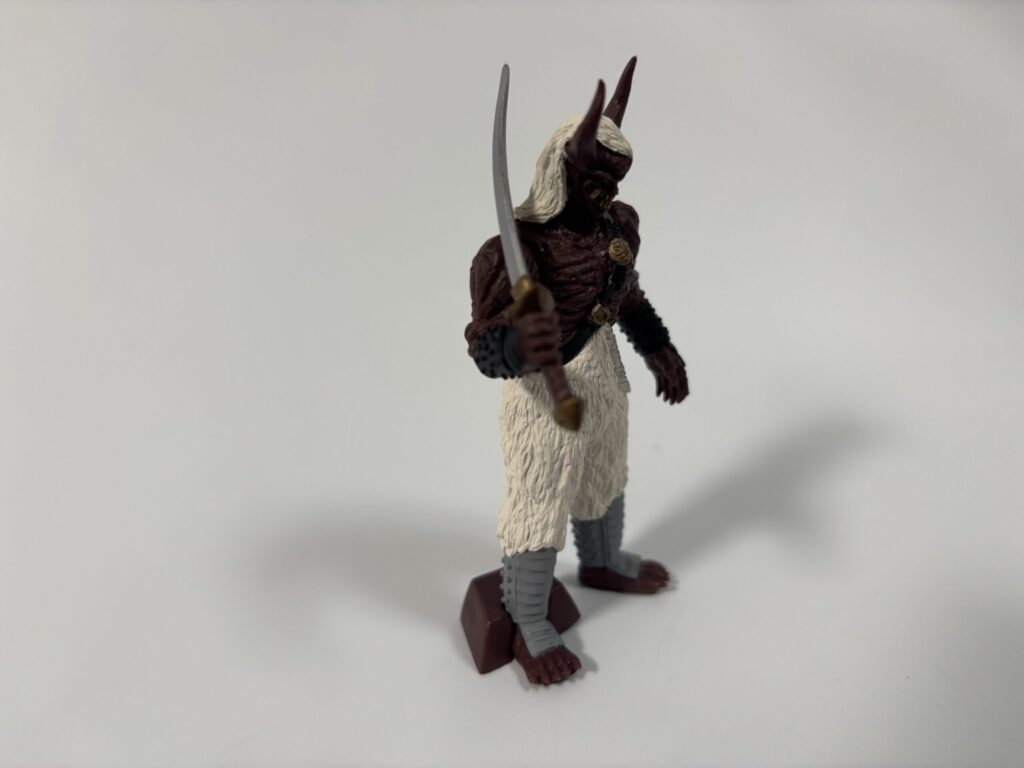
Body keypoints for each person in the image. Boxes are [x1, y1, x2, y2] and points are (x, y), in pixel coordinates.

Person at [465, 57, 689, 685]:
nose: (608, 194)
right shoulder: (512, 252)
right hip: (540, 391)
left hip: (600, 367)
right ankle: (529, 619)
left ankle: (602, 560)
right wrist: (516, 344)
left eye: (615, 181)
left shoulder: (619, 228)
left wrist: (659, 348)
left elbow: (625, 295)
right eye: (597, 180)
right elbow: (483, 345)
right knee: (540, 493)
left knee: (604, 469)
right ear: (563, 171)